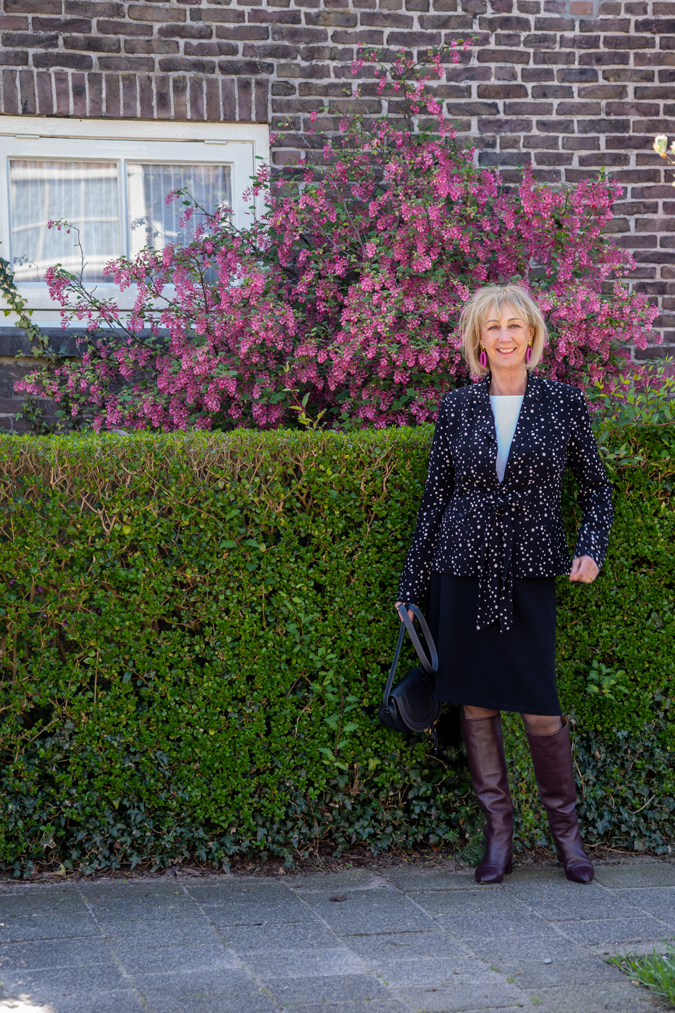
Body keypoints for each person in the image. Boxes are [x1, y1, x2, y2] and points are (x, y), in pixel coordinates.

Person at [396, 284, 612, 885]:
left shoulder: (564, 403)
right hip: (462, 568)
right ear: (479, 341)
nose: (506, 336)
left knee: (540, 708)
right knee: (476, 701)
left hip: (531, 568)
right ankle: (498, 836)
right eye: (493, 328)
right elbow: (436, 498)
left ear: (533, 336)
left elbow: (596, 488)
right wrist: (411, 585)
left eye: (516, 325)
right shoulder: (458, 407)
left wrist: (590, 548)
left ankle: (567, 837)